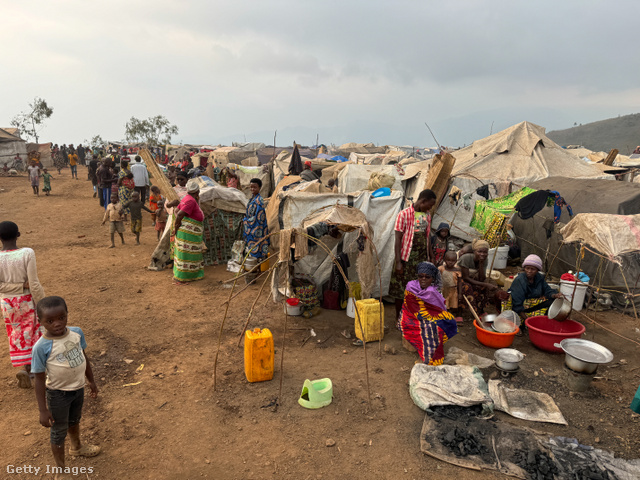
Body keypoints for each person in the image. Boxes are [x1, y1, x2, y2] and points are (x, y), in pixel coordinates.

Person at [32, 296, 100, 476]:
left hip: (78, 389)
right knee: (58, 431)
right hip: (58, 395)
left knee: (74, 420)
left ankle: (77, 447)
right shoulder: (41, 347)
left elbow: (84, 358)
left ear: (67, 315)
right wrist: (42, 410)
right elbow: (39, 379)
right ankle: (61, 471)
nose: (57, 323)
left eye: (62, 317)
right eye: (50, 321)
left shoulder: (77, 333)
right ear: (41, 322)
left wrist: (91, 381)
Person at [0, 221, 45, 388]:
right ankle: (32, 368)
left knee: (16, 332)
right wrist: (42, 301)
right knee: (33, 331)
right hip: (26, 300)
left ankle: (23, 367)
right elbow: (33, 284)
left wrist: (14, 287)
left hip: (7, 303)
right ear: (18, 235)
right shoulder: (27, 253)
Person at [390, 189, 437, 319]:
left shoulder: (427, 215)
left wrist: (431, 256)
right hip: (406, 259)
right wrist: (398, 262)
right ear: (423, 201)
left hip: (421, 260)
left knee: (417, 289)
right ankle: (399, 318)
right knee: (400, 290)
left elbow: (427, 237)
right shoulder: (403, 214)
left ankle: (411, 316)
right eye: (430, 205)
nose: (430, 208)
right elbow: (398, 239)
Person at [399, 262, 458, 365]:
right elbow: (410, 307)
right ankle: (430, 357)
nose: (423, 279)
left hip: (428, 315)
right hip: (410, 316)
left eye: (427, 277)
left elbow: (440, 308)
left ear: (433, 278)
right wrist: (426, 317)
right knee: (432, 328)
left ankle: (434, 347)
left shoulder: (433, 291)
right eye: (420, 276)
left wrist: (432, 316)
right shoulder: (411, 286)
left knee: (449, 321)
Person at [504, 254, 563, 318]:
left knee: (552, 300)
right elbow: (516, 303)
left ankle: (546, 319)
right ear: (524, 268)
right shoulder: (520, 280)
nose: (529, 271)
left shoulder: (539, 278)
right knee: (520, 321)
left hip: (532, 304)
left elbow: (547, 290)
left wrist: (555, 295)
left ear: (537, 270)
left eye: (533, 269)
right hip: (521, 307)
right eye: (527, 268)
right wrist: (526, 319)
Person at [458, 239, 505, 314]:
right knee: (468, 287)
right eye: (479, 251)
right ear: (474, 252)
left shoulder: (484, 260)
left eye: (485, 252)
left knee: (483, 287)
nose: (482, 254)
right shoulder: (466, 258)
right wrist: (485, 284)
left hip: (473, 278)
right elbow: (465, 278)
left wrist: (481, 263)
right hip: (460, 280)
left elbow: (481, 278)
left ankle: (480, 309)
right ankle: (474, 310)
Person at [172, 180, 205, 283]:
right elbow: (180, 214)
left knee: (187, 254)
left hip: (188, 231)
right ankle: (185, 276)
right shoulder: (190, 201)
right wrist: (177, 227)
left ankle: (185, 275)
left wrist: (178, 225)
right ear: (197, 192)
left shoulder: (186, 198)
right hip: (188, 232)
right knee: (188, 254)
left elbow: (176, 211)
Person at [243, 178, 269, 260]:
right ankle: (255, 262)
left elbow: (258, 217)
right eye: (251, 187)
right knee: (253, 246)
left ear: (260, 188)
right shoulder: (252, 198)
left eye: (255, 187)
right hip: (251, 225)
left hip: (257, 227)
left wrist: (246, 221)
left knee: (257, 244)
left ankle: (258, 262)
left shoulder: (259, 200)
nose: (252, 189)